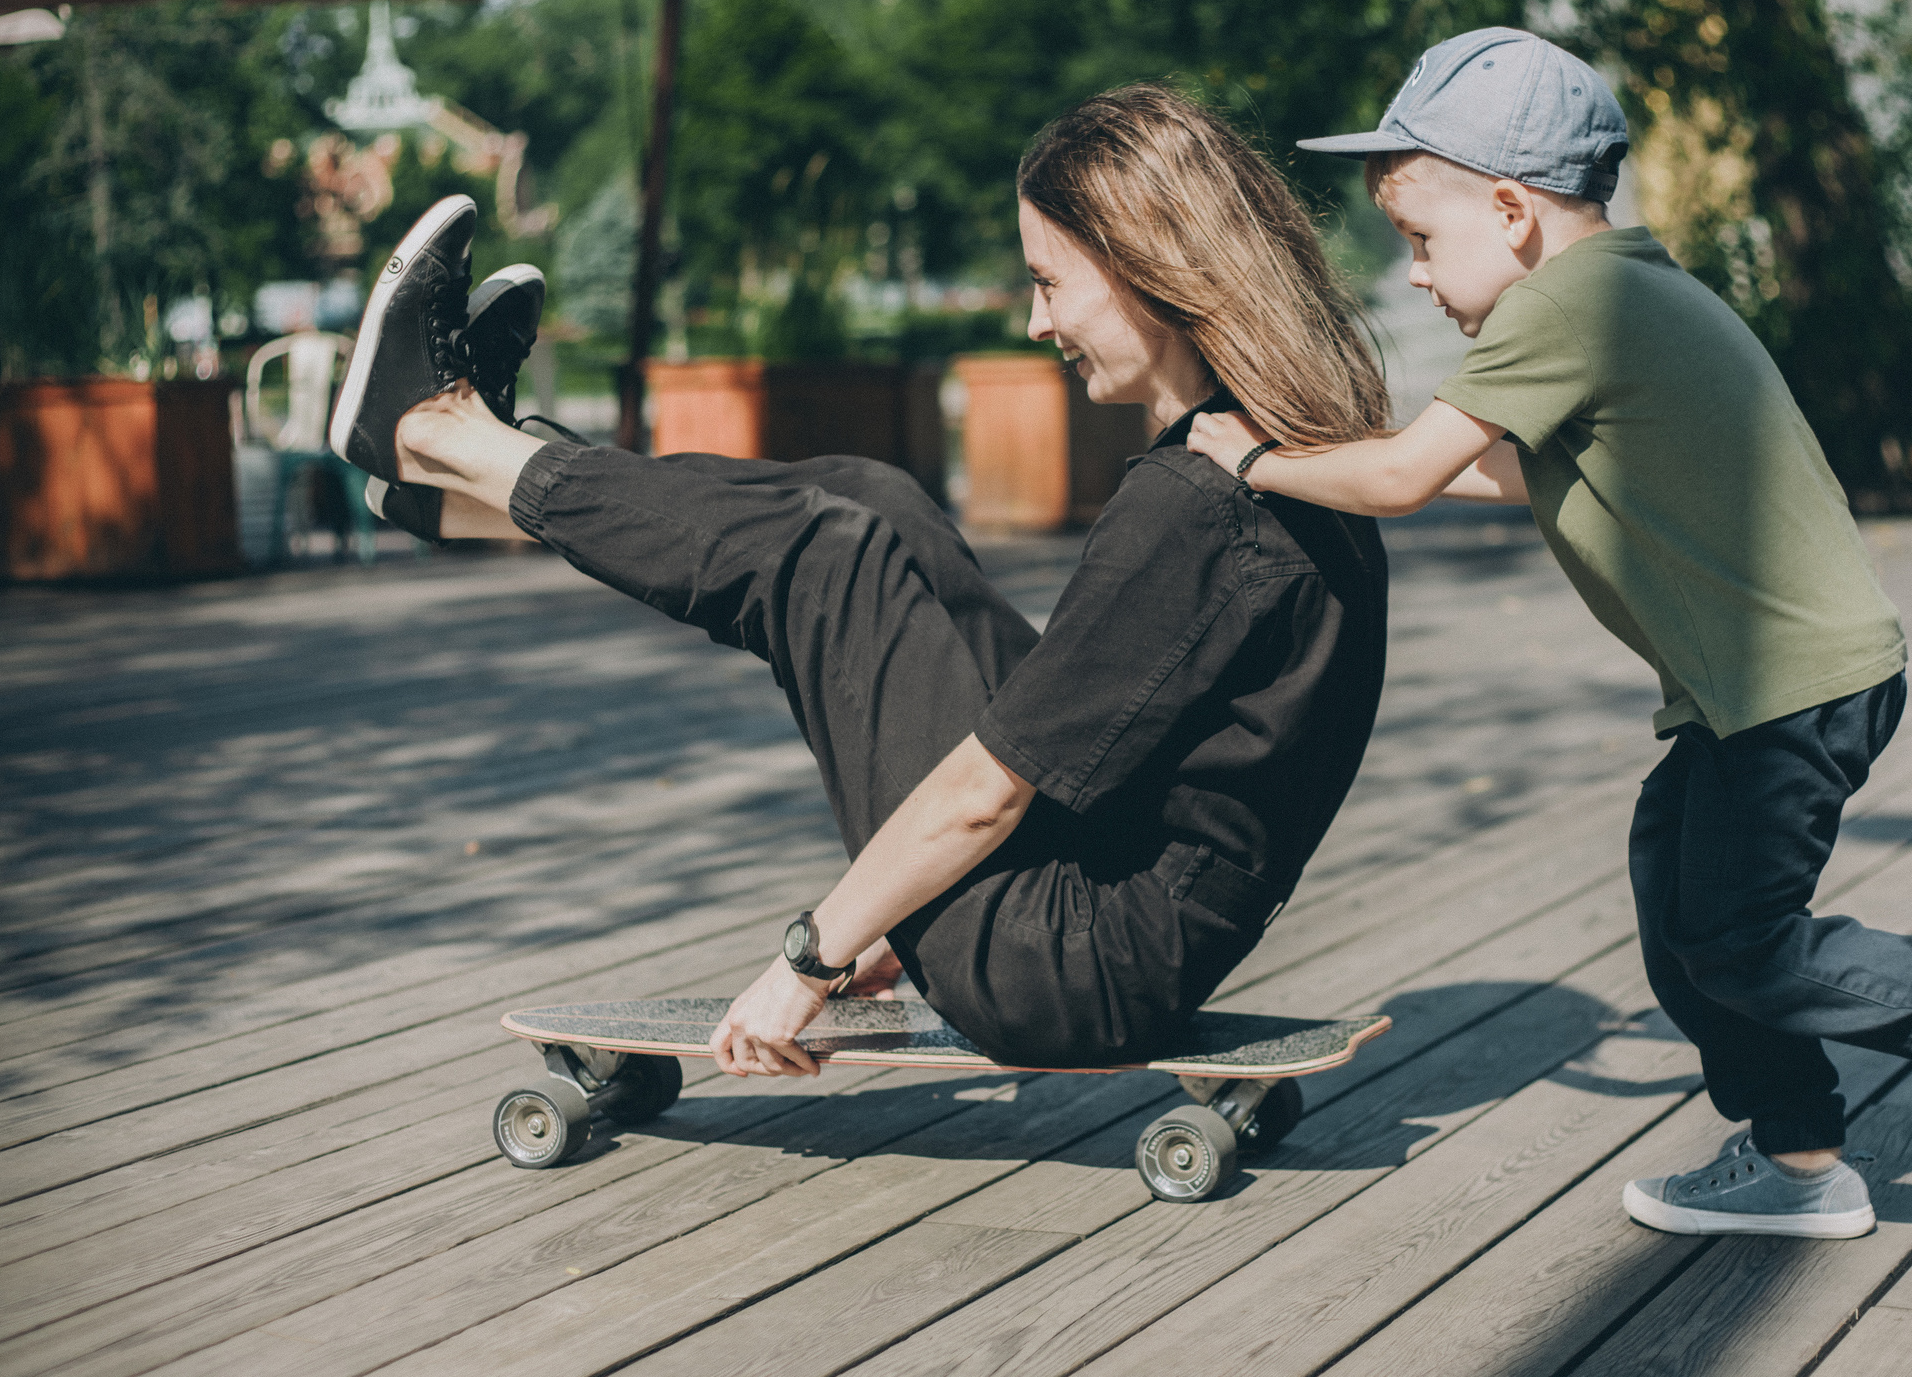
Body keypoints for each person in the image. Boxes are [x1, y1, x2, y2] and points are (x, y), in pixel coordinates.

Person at [1185, 28, 1912, 1238]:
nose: (1417, 276)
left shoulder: (1563, 305)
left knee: (1738, 938)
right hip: (1765, 683)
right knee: (1678, 899)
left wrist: (1255, 459)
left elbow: (1406, 480)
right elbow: (1494, 474)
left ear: (1509, 210)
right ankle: (1798, 1160)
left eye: (1421, 243)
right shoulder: (1618, 289)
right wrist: (1329, 457)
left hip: (1787, 684)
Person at [329, 84, 1392, 1082]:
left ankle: (439, 436)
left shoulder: (1198, 504)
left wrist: (813, 959)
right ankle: (472, 477)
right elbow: (1122, 745)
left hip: (1067, 966)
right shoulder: (1273, 458)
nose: (1035, 322)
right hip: (1099, 914)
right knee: (875, 498)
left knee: (827, 558)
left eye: (1048, 281)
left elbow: (987, 794)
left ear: (1145, 264)